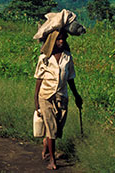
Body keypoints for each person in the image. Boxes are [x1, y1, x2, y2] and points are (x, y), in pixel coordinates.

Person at [34, 30, 83, 170]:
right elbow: (38, 79)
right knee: (52, 129)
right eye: (59, 39)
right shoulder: (44, 58)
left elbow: (70, 78)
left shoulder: (67, 57)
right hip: (46, 97)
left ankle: (46, 143)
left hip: (62, 97)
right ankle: (52, 160)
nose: (61, 42)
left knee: (58, 128)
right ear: (53, 40)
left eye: (63, 39)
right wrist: (36, 102)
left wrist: (77, 96)